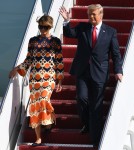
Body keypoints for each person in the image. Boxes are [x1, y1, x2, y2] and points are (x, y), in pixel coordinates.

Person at [59, 4, 123, 146]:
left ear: (101, 14)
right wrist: (66, 21)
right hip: (82, 71)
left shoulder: (110, 32)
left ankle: (95, 140)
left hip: (100, 73)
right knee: (81, 98)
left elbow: (116, 54)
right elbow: (70, 34)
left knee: (96, 107)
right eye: (89, 15)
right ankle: (87, 123)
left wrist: (118, 71)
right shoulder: (83, 27)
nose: (91, 17)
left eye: (94, 14)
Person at [9, 14, 64, 146]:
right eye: (40, 26)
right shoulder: (32, 40)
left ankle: (48, 121)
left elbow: (59, 61)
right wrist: (17, 68)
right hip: (35, 78)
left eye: (45, 27)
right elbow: (28, 60)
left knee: (43, 101)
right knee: (34, 106)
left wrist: (59, 79)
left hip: (49, 77)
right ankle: (38, 137)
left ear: (50, 27)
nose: (42, 29)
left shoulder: (55, 41)